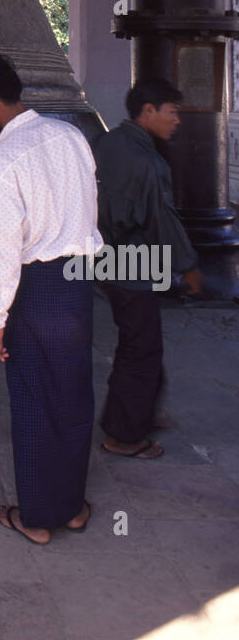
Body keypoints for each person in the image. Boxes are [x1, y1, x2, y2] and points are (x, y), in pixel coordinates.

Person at [0, 53, 103, 545]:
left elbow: (2, 246)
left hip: (35, 289)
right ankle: (73, 506)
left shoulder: (2, 161)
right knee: (73, 390)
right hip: (78, 281)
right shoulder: (71, 137)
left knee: (35, 398)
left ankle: (38, 517)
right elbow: (89, 208)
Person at [92, 79, 204, 459]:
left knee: (141, 339)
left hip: (103, 256)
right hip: (132, 264)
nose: (176, 120)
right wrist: (188, 266)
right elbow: (163, 221)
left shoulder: (105, 144)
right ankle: (123, 436)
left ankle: (144, 411)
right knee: (140, 349)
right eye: (171, 112)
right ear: (148, 111)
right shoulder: (148, 163)